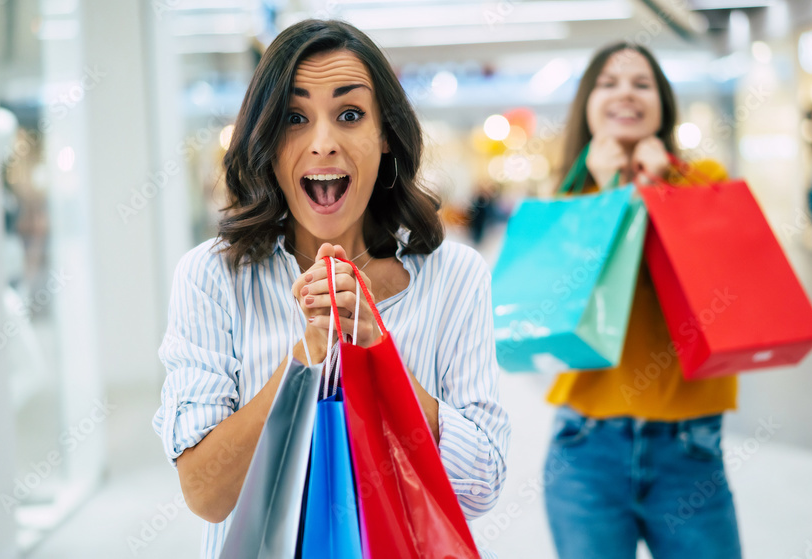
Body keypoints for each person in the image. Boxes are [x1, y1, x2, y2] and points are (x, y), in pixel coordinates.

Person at [152, 20, 509, 558]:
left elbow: (480, 487)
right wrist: (304, 358)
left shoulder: (454, 276)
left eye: (349, 115)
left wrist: (378, 355)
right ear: (267, 142)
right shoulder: (211, 277)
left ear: (385, 135)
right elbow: (207, 494)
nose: (323, 143)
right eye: (295, 118)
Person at [542, 42, 742, 559]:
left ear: (663, 104)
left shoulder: (706, 183)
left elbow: (723, 288)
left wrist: (667, 186)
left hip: (688, 446)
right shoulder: (570, 196)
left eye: (641, 83)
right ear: (588, 102)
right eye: (608, 83)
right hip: (586, 447)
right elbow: (561, 309)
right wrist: (608, 193)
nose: (624, 94)